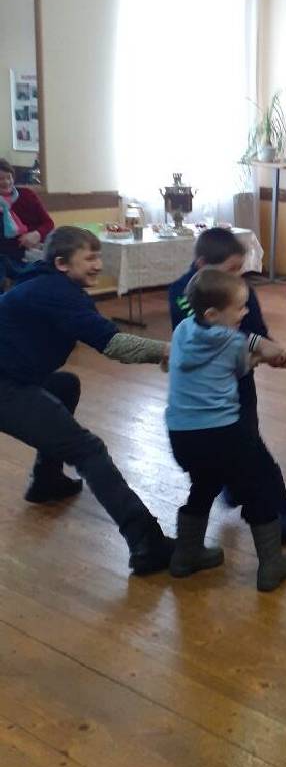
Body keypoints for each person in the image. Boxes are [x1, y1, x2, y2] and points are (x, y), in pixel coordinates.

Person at [0, 226, 175, 574]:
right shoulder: (59, 293)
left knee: (64, 386)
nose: (98, 264)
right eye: (90, 258)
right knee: (87, 450)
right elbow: (115, 345)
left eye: (99, 256)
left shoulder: (43, 281)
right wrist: (172, 350)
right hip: (6, 387)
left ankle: (47, 481)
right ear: (62, 263)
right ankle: (147, 542)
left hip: (15, 377)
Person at [166, 268, 286, 591]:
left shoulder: (182, 329)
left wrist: (254, 344)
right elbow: (242, 366)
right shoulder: (233, 343)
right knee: (257, 489)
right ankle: (271, 563)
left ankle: (186, 555)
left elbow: (236, 344)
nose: (245, 313)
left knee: (204, 484)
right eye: (239, 308)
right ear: (212, 314)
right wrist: (269, 354)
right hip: (224, 434)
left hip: (182, 434)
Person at [0, 157, 54, 285]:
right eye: (1, 179)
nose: (6, 182)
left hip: (34, 252)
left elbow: (49, 224)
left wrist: (36, 234)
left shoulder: (27, 195)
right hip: (8, 256)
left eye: (9, 177)